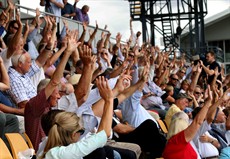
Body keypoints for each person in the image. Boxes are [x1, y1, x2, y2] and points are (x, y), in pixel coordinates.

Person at [40, 76, 114, 159]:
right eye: (82, 131)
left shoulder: (47, 144)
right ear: (73, 135)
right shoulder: (64, 154)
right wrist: (109, 100)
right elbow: (104, 134)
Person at [162, 86, 212, 159]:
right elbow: (197, 122)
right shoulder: (178, 141)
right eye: (186, 121)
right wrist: (207, 103)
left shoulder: (172, 144)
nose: (187, 105)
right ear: (179, 100)